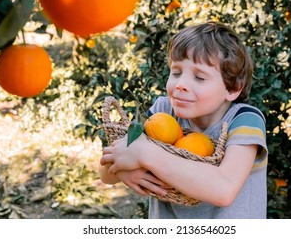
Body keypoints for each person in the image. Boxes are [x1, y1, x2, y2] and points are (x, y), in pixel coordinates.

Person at [99, 21, 268, 219]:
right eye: (176, 72)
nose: (181, 85)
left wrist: (145, 153)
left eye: (199, 77)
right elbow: (105, 171)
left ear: (232, 88)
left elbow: (224, 189)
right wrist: (123, 173)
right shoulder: (163, 112)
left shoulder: (244, 120)